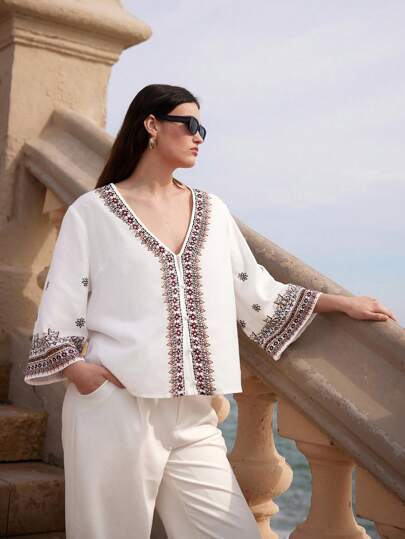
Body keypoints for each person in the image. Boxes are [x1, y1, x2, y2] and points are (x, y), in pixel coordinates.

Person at [23, 84, 397, 539]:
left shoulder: (212, 211)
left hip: (194, 414)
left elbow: (255, 290)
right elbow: (61, 303)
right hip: (116, 405)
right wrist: (78, 371)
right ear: (152, 125)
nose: (199, 136)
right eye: (189, 124)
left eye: (203, 128)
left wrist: (339, 302)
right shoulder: (92, 213)